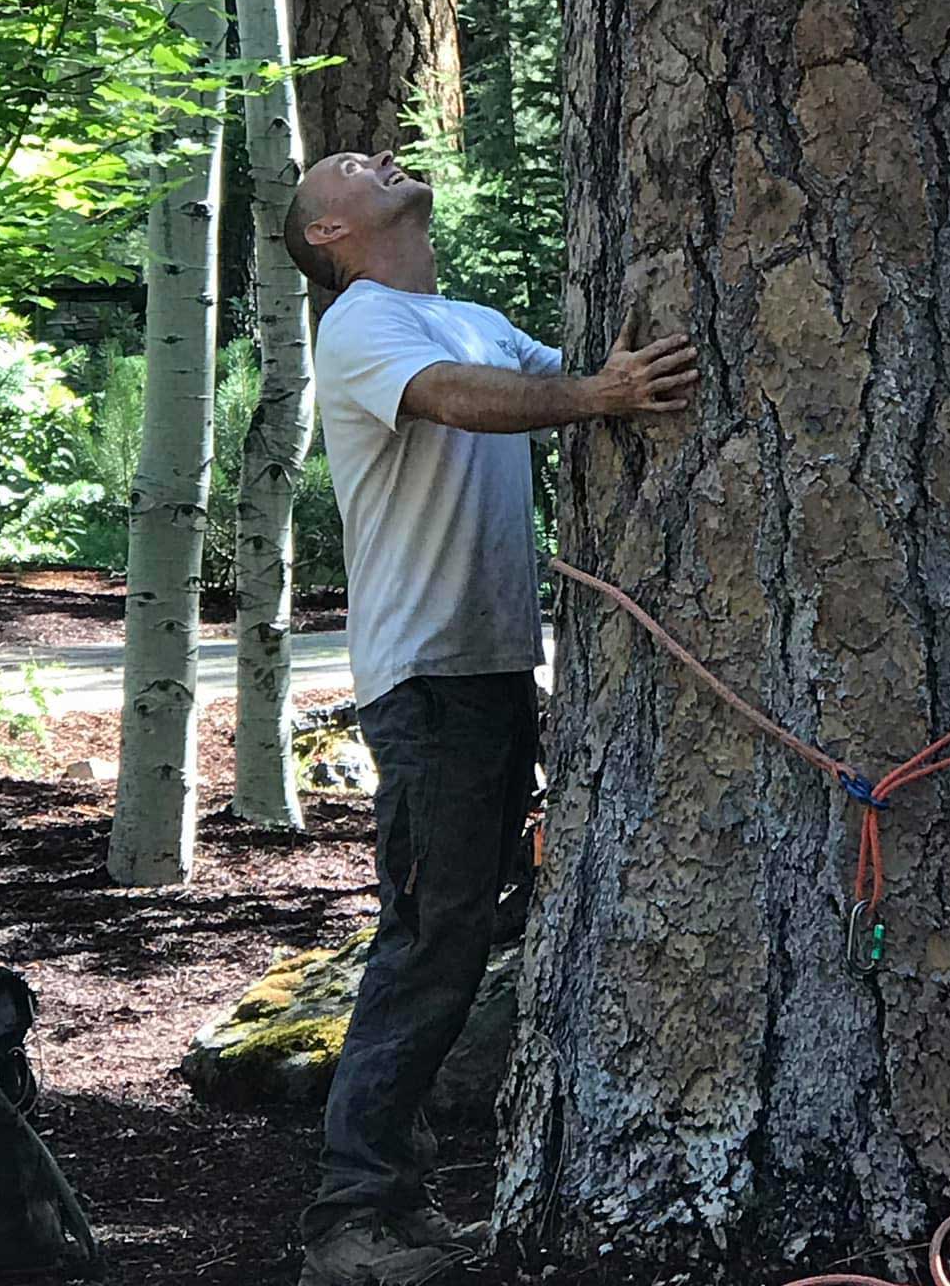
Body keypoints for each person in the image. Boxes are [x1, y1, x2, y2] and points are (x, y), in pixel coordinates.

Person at [281, 148, 697, 1286]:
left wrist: (607, 382)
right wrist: (597, 394)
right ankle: (351, 1218)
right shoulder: (364, 324)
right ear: (330, 232)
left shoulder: (468, 315)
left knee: (457, 929)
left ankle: (393, 1200)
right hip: (426, 680)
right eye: (353, 167)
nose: (382, 158)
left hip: (491, 671)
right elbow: (468, 403)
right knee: (430, 938)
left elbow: (557, 378)